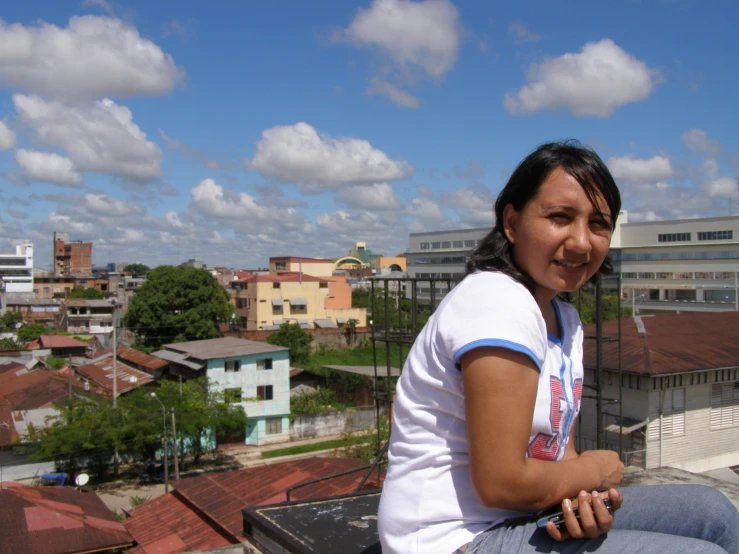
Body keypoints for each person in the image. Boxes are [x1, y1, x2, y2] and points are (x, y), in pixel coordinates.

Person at [378, 141, 739, 554]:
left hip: (522, 519)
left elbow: (558, 457)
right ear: (511, 223)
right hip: (452, 539)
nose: (582, 243)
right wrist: (596, 469)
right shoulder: (495, 301)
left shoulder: (564, 318)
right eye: (560, 217)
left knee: (713, 513)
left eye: (599, 224)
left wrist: (581, 503)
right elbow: (502, 483)